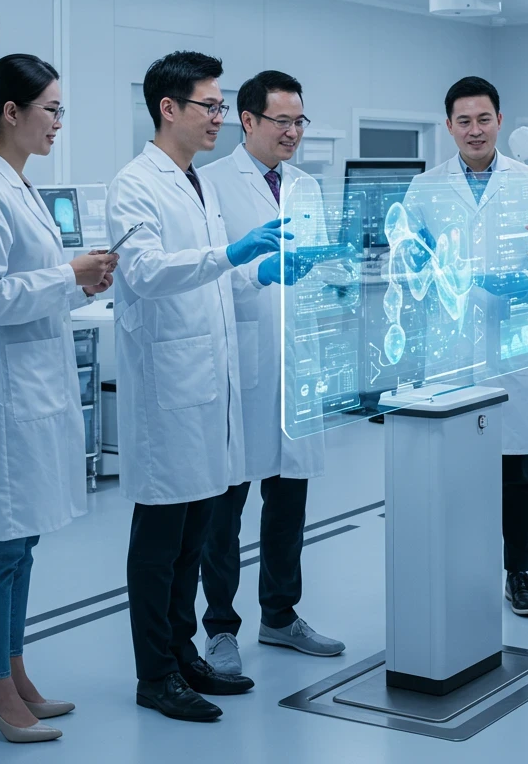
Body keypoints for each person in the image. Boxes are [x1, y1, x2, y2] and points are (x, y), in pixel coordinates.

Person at [107, 51, 300, 723]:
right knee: (159, 543)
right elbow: (148, 271)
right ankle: (154, 674)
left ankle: (184, 655)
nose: (220, 116)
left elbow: (215, 276)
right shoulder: (135, 184)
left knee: (193, 537)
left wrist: (261, 271)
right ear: (169, 108)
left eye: (220, 106)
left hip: (208, 384)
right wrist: (232, 255)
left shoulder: (197, 183)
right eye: (211, 106)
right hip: (169, 389)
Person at [0, 54, 118, 743]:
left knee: (22, 544)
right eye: (50, 109)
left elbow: (33, 283)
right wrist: (65, 277)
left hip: (32, 392)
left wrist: (78, 280)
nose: (58, 123)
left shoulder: (17, 186)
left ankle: (11, 670)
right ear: (10, 113)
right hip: (2, 400)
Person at [199, 71, 345, 675]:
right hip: (241, 365)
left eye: (299, 121)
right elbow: (203, 278)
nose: (293, 132)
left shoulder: (307, 186)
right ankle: (221, 628)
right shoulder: (208, 185)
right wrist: (259, 274)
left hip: (298, 365)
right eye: (281, 121)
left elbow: (316, 271)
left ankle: (281, 617)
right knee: (224, 511)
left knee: (289, 505)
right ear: (248, 121)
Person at [403, 76, 528, 617]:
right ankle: (456, 568)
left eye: (484, 119)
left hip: (509, 348)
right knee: (449, 471)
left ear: (500, 121)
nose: (474, 130)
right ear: (448, 126)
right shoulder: (424, 189)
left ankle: (518, 573)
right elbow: (405, 265)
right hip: (448, 351)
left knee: (515, 471)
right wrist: (421, 269)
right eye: (463, 121)